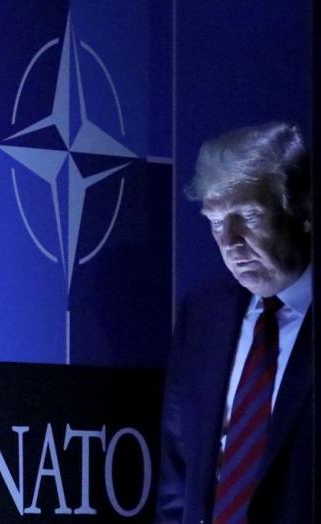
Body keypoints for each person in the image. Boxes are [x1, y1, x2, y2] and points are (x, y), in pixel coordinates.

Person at [156, 122, 312, 523]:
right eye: (215, 221)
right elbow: (178, 478)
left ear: (303, 210)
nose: (230, 242)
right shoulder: (202, 316)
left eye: (247, 216)